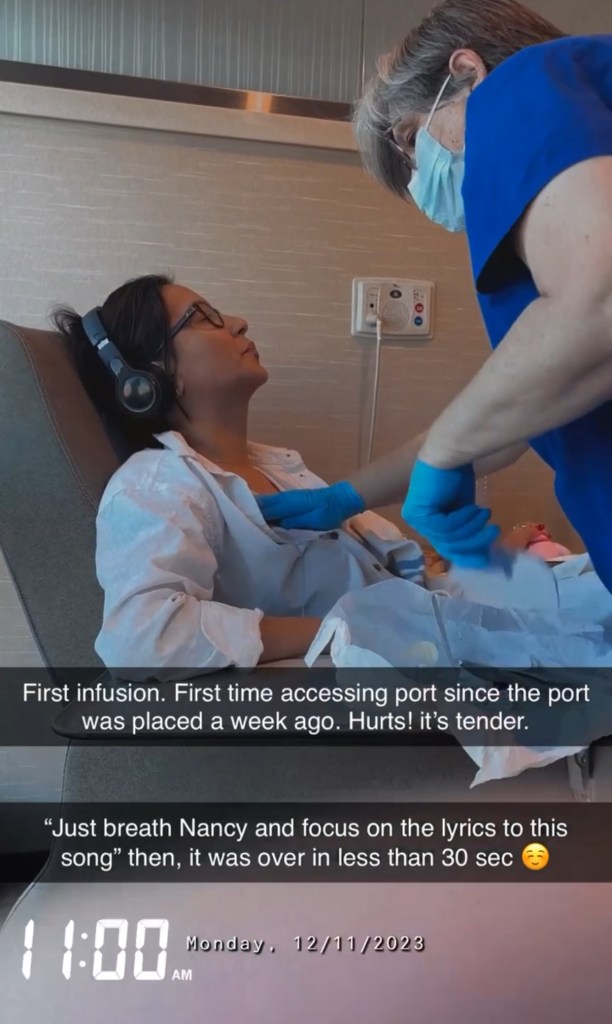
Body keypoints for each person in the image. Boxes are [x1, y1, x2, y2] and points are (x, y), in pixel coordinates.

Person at [257, 0, 612, 591]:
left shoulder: (522, 82)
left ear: (467, 71)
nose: (420, 173)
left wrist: (445, 451)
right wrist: (347, 496)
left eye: (410, 138)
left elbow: (601, 305)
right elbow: (516, 413)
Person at [53, 274, 427, 678]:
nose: (239, 323)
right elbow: (142, 639)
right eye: (202, 318)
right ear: (146, 380)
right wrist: (340, 629)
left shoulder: (276, 465)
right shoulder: (157, 484)